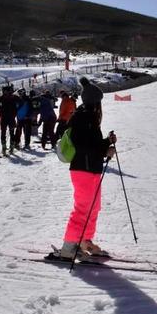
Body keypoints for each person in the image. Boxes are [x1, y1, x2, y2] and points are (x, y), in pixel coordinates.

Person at [58, 77, 117, 260]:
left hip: (91, 169)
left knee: (94, 207)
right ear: (94, 101)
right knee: (83, 208)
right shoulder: (82, 117)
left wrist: (107, 142)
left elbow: (91, 144)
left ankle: (84, 240)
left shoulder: (89, 117)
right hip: (83, 169)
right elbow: (83, 146)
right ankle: (69, 246)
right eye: (99, 101)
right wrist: (104, 149)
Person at [0, 85, 18, 155]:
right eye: (5, 91)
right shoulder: (12, 97)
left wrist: (0, 108)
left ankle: (8, 148)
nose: (5, 92)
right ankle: (6, 148)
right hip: (8, 118)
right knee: (7, 133)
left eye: (6, 91)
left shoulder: (10, 97)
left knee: (7, 133)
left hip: (8, 118)